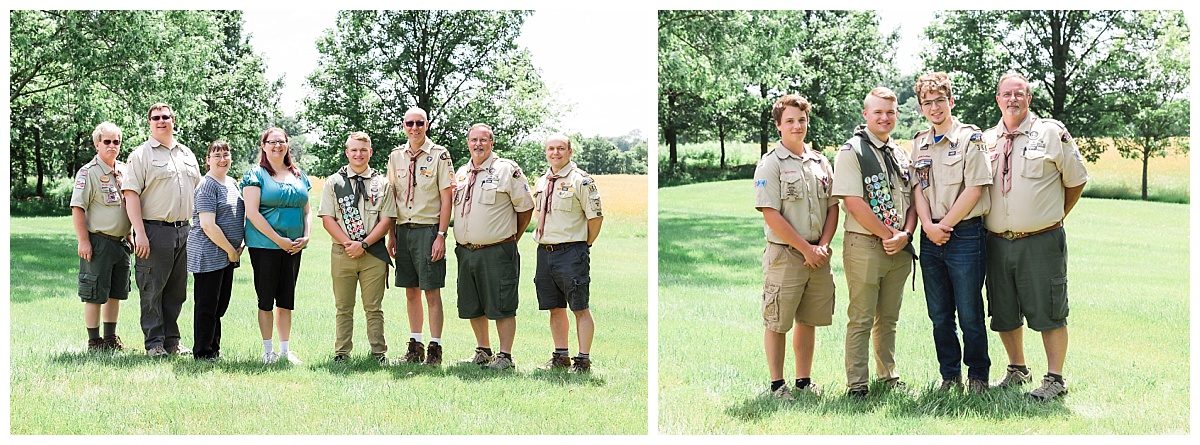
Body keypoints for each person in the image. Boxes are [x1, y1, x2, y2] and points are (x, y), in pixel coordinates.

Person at [982, 73, 1087, 400]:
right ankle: (1017, 369)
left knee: (1049, 310)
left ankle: (1054, 379)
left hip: (1041, 241)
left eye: (1020, 93)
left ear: (1029, 98)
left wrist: (1052, 217)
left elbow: (1076, 180)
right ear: (997, 98)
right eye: (1006, 94)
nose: (1013, 99)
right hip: (997, 243)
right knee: (1004, 310)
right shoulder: (986, 139)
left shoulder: (1051, 132)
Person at [909, 72, 994, 394]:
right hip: (930, 235)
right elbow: (917, 187)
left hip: (965, 235)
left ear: (951, 101)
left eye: (939, 101)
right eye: (927, 103)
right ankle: (949, 376)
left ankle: (978, 376)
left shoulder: (971, 139)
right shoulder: (919, 143)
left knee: (971, 312)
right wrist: (928, 226)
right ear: (920, 108)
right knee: (940, 315)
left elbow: (975, 188)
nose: (934, 108)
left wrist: (945, 226)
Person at [831, 87, 917, 399]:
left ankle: (888, 376)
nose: (884, 117)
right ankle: (857, 385)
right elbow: (853, 202)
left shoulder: (900, 153)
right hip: (866, 245)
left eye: (890, 112)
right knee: (862, 318)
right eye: (878, 112)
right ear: (865, 114)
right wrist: (888, 236)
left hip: (899, 246)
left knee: (889, 319)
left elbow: (912, 201)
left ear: (897, 115)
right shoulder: (852, 151)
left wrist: (905, 235)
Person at [752, 96, 838, 399]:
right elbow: (771, 214)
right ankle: (777, 385)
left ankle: (803, 381)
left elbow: (832, 208)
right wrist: (805, 249)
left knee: (808, 319)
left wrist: (823, 246)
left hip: (818, 254)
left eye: (801, 120)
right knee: (778, 320)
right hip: (787, 255)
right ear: (778, 125)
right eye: (789, 120)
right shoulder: (770, 164)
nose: (797, 125)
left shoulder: (820, 162)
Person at [452, 123, 534, 370]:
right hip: (467, 251)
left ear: (491, 143)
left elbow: (526, 208)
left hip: (497, 250)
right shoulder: (461, 173)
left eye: (483, 140)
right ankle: (483, 350)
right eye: (473, 140)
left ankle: (505, 356)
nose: (478, 144)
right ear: (468, 142)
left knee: (502, 303)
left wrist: (509, 238)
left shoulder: (507, 170)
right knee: (472, 302)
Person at [121, 103, 201, 357]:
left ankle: (172, 341)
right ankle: (154, 343)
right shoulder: (142, 154)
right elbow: (130, 195)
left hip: (184, 231)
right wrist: (139, 232)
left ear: (173, 120)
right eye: (156, 118)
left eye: (165, 117)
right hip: (154, 230)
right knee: (152, 289)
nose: (161, 121)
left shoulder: (186, 154)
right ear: (149, 123)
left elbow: (197, 192)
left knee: (177, 291)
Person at [320, 132, 396, 364]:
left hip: (372, 253)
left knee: (373, 308)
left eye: (363, 150)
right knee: (343, 307)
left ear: (370, 152)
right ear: (347, 152)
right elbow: (327, 218)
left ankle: (378, 353)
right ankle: (342, 353)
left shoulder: (382, 183)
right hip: (343, 253)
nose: (358, 154)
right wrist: (349, 244)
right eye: (354, 150)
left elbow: (387, 219)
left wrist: (363, 244)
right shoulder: (335, 182)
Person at [386, 107, 454, 366]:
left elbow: (446, 198)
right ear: (403, 126)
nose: (414, 128)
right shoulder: (396, 156)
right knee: (411, 291)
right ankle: (415, 345)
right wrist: (391, 235)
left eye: (419, 123)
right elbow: (391, 197)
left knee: (431, 291)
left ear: (426, 124)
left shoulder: (439, 155)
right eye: (409, 123)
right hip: (404, 230)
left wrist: (441, 235)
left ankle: (435, 347)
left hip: (428, 230)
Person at [532, 134, 604, 374]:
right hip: (546, 252)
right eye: (551, 149)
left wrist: (585, 245)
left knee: (579, 307)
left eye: (561, 148)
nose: (555, 153)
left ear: (570, 152)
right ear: (546, 152)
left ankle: (583, 360)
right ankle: (560, 355)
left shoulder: (581, 181)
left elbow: (596, 217)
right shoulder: (542, 181)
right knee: (554, 307)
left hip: (572, 251)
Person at [242, 127, 312, 364]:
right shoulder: (256, 174)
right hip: (265, 246)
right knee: (266, 299)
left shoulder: (298, 175)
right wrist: (278, 240)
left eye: (281, 142)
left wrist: (307, 236)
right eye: (271, 142)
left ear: (287, 145)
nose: (277, 146)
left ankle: (284, 351)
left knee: (286, 299)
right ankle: (268, 351)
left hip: (293, 247)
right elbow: (252, 213)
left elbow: (307, 210)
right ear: (263, 146)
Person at [71, 122, 134, 353]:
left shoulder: (124, 171)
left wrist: (129, 234)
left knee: (115, 293)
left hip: (121, 243)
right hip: (98, 242)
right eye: (106, 141)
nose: (111, 146)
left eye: (116, 142)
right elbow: (78, 208)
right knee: (94, 294)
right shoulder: (88, 172)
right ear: (97, 144)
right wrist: (83, 241)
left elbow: (126, 206)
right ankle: (94, 341)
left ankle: (110, 338)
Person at [186, 141, 246, 362]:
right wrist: (231, 250)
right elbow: (207, 225)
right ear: (208, 160)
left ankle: (214, 348)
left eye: (226, 154)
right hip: (208, 254)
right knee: (207, 306)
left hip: (228, 254)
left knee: (220, 305)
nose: (222, 159)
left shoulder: (231, 183)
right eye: (217, 155)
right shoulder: (207, 185)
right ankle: (202, 352)